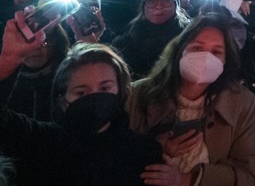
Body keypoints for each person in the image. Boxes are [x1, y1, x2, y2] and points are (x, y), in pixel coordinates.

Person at [0, 12, 161, 185]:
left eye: (105, 88)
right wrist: (9, 59)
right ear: (62, 99)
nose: (95, 97)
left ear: (121, 91)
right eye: (81, 93)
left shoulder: (144, 151)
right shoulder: (40, 141)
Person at [128, 13, 255, 185]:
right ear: (180, 51)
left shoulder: (242, 102)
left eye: (216, 51)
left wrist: (187, 180)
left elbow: (249, 171)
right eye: (197, 48)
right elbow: (112, 156)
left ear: (226, 60)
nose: (206, 58)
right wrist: (155, 149)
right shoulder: (136, 94)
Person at [111, 0, 190, 79]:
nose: (159, 7)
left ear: (176, 6)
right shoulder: (125, 43)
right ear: (144, 7)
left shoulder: (189, 37)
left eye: (167, 1)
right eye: (152, 2)